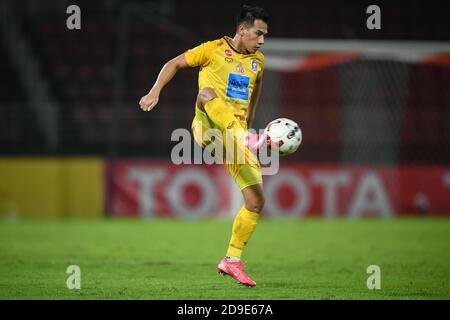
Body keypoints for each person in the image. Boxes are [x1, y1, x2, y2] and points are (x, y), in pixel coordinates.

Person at [139, 4, 269, 287]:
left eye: (264, 36)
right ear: (242, 30)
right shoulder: (211, 50)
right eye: (258, 34)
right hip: (207, 127)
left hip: (235, 137)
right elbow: (172, 63)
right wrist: (154, 91)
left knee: (256, 201)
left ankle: (232, 260)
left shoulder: (258, 61)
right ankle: (247, 138)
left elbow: (256, 85)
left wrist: (251, 116)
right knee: (206, 93)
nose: (261, 41)